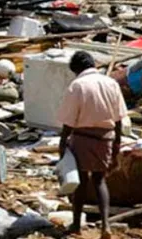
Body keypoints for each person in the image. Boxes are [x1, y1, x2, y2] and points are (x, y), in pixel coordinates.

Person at [57, 51, 127, 239]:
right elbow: (119, 119)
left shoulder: (77, 85)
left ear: (78, 69)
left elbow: (68, 122)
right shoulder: (111, 83)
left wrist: (62, 144)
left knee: (80, 181)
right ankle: (106, 225)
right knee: (100, 180)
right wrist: (117, 145)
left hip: (82, 138)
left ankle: (76, 225)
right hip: (106, 138)